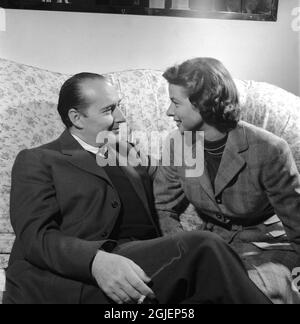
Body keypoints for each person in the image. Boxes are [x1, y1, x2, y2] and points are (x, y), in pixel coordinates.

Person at [3, 72, 270, 304]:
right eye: (108, 110)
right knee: (204, 247)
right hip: (85, 277)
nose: (121, 118)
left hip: (149, 264)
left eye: (118, 107)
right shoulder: (39, 159)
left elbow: (179, 174)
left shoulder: (127, 151)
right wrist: (96, 261)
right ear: (77, 117)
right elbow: (35, 236)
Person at [154, 57, 300, 304]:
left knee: (248, 294)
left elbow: (297, 221)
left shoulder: (269, 149)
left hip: (266, 244)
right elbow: (163, 206)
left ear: (202, 104)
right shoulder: (177, 143)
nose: (169, 112)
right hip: (213, 243)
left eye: (175, 103)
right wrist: (181, 250)